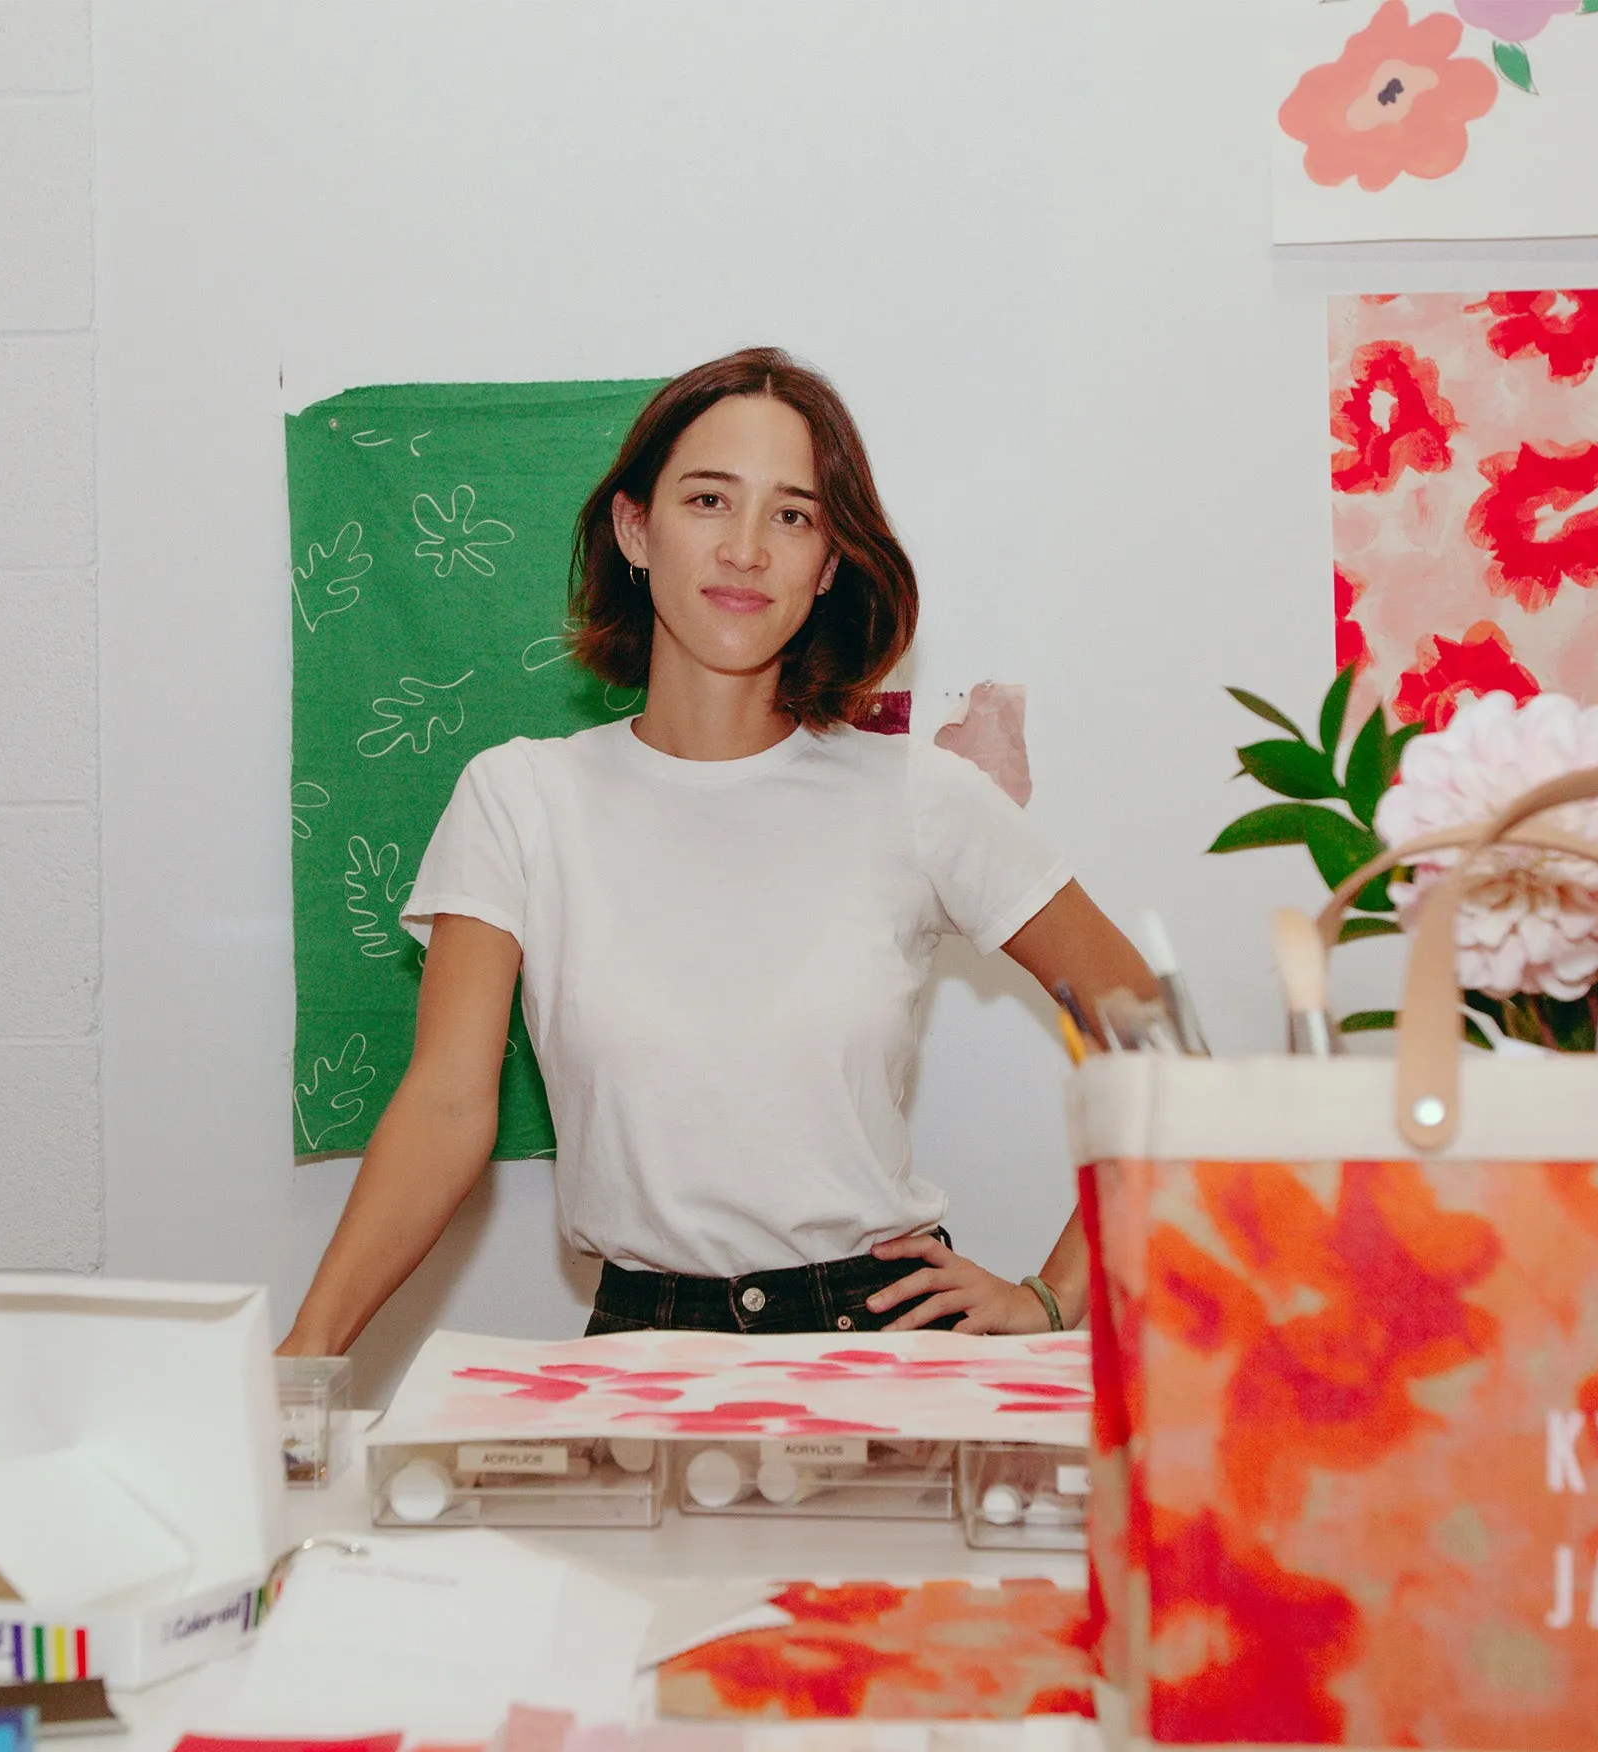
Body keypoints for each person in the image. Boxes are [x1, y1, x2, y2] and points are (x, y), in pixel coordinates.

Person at [279, 348, 1155, 1356]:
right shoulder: (519, 796)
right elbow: (444, 1102)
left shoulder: (917, 793)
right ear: (634, 528)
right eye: (707, 500)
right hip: (637, 1352)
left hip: (881, 1348)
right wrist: (304, 1358)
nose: (745, 548)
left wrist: (1055, 1297)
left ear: (828, 565)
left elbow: (1158, 1035)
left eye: (791, 515)